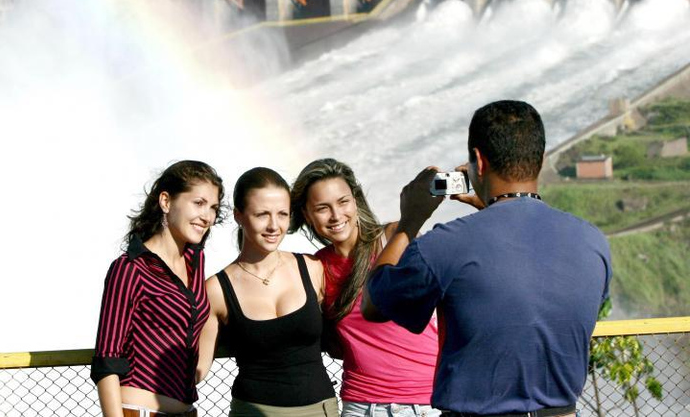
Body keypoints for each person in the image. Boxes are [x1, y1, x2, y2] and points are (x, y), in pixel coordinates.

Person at [362, 100, 612, 417]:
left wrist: (409, 222)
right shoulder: (593, 242)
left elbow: (374, 305)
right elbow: (529, 284)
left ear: (478, 162)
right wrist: (492, 210)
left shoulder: (445, 244)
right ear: (541, 160)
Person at [290, 159, 440, 417]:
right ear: (307, 214)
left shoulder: (394, 237)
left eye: (343, 202)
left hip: (423, 402)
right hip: (360, 406)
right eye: (323, 208)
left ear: (356, 200)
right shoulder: (318, 267)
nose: (336, 216)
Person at [197, 167, 338, 417]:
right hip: (253, 410)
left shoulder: (313, 269)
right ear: (239, 215)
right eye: (262, 214)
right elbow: (198, 369)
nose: (274, 226)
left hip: (320, 410)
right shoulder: (216, 289)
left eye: (282, 214)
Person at [91, 160, 225, 417]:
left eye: (213, 208)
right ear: (165, 201)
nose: (207, 216)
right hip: (138, 411)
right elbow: (107, 360)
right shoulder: (130, 268)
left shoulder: (194, 264)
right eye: (198, 203)